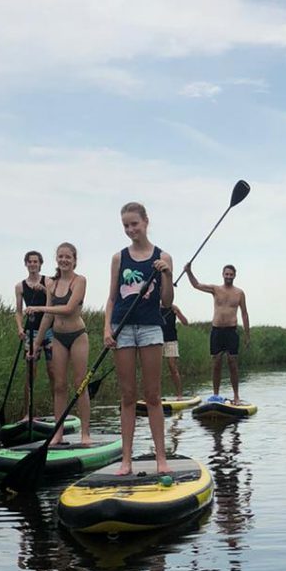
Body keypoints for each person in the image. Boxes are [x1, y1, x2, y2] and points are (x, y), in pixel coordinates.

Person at [104, 202, 174, 475]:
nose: (131, 229)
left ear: (146, 221)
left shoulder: (163, 256)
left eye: (135, 223)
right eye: (126, 225)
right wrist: (107, 330)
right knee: (128, 395)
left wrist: (166, 274)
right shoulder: (119, 258)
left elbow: (166, 302)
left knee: (153, 395)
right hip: (122, 328)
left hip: (150, 328)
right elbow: (111, 298)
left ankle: (161, 458)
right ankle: (126, 460)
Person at [25, 242, 91, 446]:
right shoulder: (51, 284)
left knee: (80, 383)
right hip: (59, 337)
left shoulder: (80, 281)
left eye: (68, 257)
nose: (64, 260)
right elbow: (47, 317)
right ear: (57, 259)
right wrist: (36, 343)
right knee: (59, 386)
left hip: (78, 336)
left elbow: (70, 309)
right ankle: (58, 433)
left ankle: (85, 434)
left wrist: (39, 307)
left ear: (74, 260)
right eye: (60, 257)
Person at [184, 262, 250, 403]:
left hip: (231, 331)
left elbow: (244, 314)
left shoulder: (239, 293)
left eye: (231, 274)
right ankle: (215, 394)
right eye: (226, 274)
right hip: (217, 330)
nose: (229, 276)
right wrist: (189, 271)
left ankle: (236, 396)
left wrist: (247, 335)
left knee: (233, 363)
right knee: (216, 363)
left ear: (235, 276)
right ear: (223, 275)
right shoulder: (215, 289)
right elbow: (196, 285)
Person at [14, 250, 54, 419]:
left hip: (50, 332)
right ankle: (28, 414)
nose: (32, 264)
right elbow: (18, 311)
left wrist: (44, 290)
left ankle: (58, 413)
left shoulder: (48, 281)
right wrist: (19, 328)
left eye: (35, 262)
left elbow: (55, 302)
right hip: (31, 332)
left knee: (54, 373)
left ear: (40, 264)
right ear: (26, 264)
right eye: (29, 262)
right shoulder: (20, 286)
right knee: (30, 374)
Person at [160, 303, 189, 399]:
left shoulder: (173, 308)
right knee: (155, 368)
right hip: (158, 340)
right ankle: (156, 395)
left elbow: (185, 322)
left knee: (172, 367)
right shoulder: (155, 307)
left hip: (171, 340)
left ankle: (179, 394)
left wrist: (178, 313)